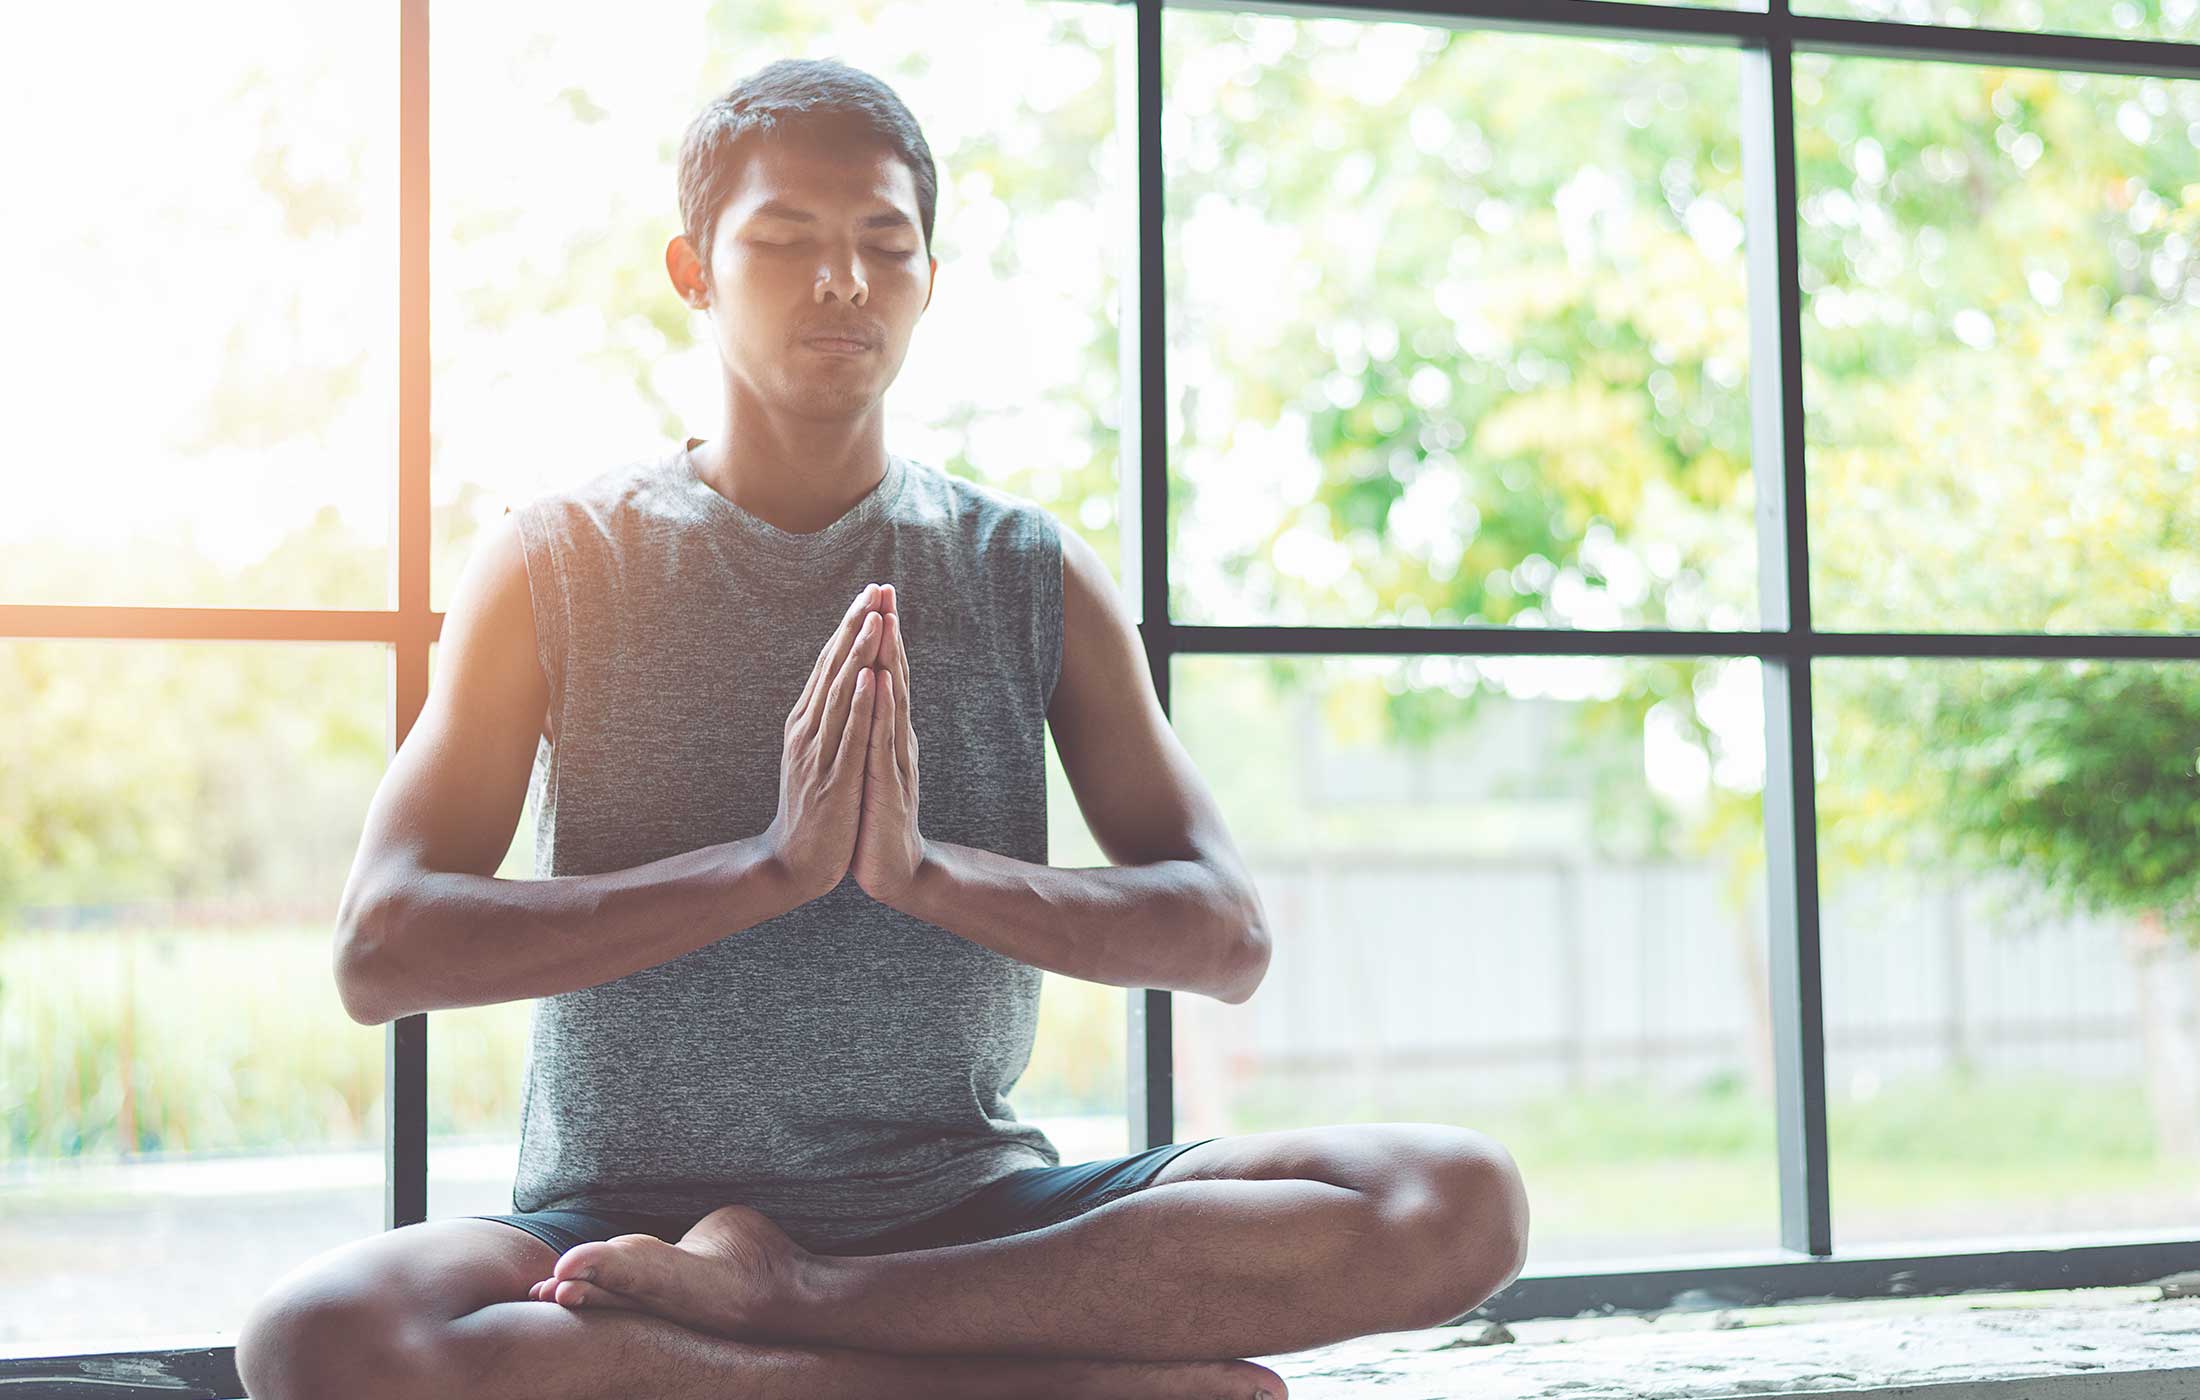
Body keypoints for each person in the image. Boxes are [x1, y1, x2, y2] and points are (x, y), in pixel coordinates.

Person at [233, 55, 1527, 1400]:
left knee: (1453, 1203)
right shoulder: (560, 562)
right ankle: (1033, 1388)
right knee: (318, 1342)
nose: (842, 280)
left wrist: (923, 876)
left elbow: (1225, 934)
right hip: (623, 1232)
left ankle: (796, 1307)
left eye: (884, 245)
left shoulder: (1026, 569)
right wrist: (766, 872)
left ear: (924, 277)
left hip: (975, 1224)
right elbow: (380, 950)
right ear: (693, 271)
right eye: (786, 240)